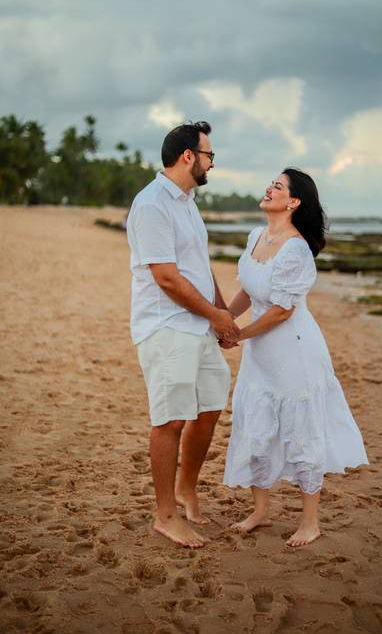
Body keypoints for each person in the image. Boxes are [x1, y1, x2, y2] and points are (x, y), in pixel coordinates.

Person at [222, 168, 368, 547]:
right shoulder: (257, 236)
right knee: (255, 424)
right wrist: (224, 320)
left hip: (294, 350)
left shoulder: (297, 249)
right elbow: (250, 292)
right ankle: (260, 510)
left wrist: (239, 334)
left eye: (279, 186)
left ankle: (310, 521)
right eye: (271, 182)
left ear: (294, 201)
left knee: (301, 430)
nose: (269, 187)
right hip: (260, 352)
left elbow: (282, 310)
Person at [126, 121, 238, 548]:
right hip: (166, 326)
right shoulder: (153, 203)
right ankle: (165, 515)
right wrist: (213, 315)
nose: (212, 163)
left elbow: (199, 266)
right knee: (170, 418)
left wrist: (222, 313)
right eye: (209, 155)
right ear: (189, 156)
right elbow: (167, 279)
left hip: (198, 324)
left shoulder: (188, 202)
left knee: (209, 406)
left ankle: (185, 488)